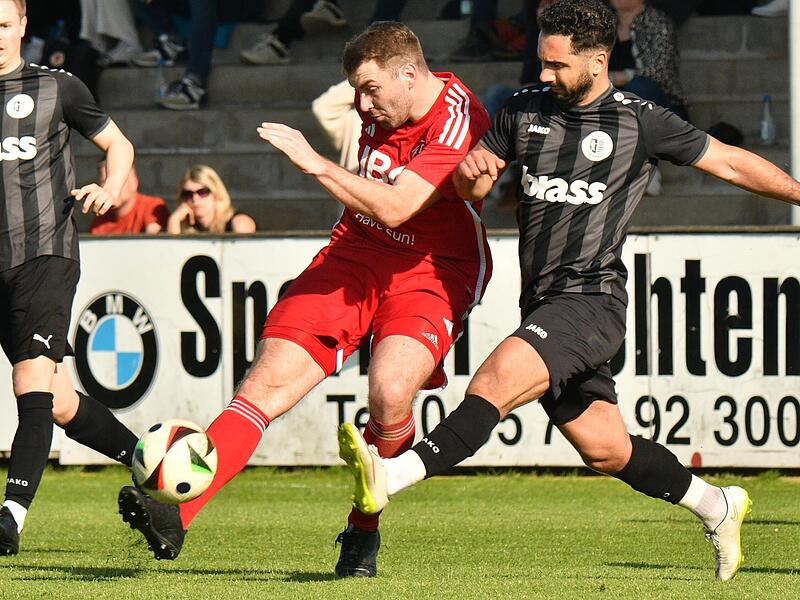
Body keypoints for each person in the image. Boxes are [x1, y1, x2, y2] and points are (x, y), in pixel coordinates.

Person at [338, 0, 800, 584]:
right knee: (605, 448)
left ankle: (392, 476)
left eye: (557, 65)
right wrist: (472, 176)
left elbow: (731, 164)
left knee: (494, 382)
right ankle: (718, 505)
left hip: (592, 301)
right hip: (543, 302)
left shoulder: (639, 120)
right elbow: (471, 178)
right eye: (542, 62)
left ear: (598, 60)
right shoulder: (523, 109)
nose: (546, 75)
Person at [117, 22, 492, 578]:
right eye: (356, 92)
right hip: (355, 252)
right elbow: (377, 214)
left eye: (370, 89)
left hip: (432, 269)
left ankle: (364, 527)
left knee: (390, 395)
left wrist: (316, 162)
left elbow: (397, 206)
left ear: (409, 74)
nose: (362, 106)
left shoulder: (459, 114)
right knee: (261, 386)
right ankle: (177, 516)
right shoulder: (378, 108)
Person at [0, 0, 143, 556]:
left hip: (45, 255)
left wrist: (110, 186)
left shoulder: (57, 88)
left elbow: (119, 145)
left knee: (30, 384)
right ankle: (149, 464)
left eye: (4, 24)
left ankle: (10, 516)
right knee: (57, 401)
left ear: (23, 26)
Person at [608, 0, 689, 122]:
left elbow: (659, 72)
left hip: (659, 101)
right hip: (612, 94)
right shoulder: (605, 23)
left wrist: (618, 77)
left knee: (638, 89)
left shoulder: (658, 22)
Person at [166, 165, 256, 233]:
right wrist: (174, 220)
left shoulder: (239, 223)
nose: (195, 198)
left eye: (202, 192)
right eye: (188, 194)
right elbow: (173, 254)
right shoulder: (184, 226)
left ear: (216, 193)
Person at [89, 162, 169, 234]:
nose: (110, 187)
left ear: (134, 182)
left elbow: (153, 241)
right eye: (104, 182)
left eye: (117, 181)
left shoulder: (152, 207)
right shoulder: (100, 221)